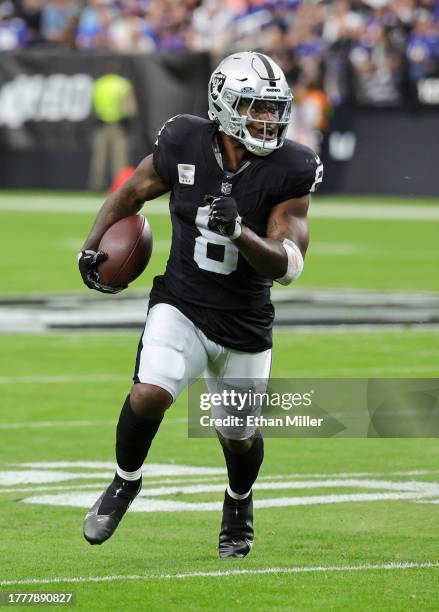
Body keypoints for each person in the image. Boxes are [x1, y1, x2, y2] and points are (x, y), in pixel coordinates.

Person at [78, 51, 323, 558]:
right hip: (182, 302)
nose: (268, 119)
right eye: (255, 108)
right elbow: (131, 194)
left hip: (245, 319)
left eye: (274, 109)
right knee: (149, 393)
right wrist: (92, 244)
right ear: (225, 106)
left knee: (238, 435)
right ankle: (125, 482)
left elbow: (289, 264)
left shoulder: (291, 168)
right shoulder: (184, 140)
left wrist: (240, 232)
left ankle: (238, 500)